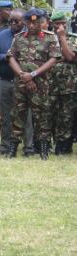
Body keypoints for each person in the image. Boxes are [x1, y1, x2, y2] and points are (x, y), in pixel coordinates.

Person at [7, 8, 60, 159]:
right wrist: (23, 75)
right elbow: (11, 57)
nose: (32, 26)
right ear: (25, 22)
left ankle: (43, 149)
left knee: (42, 116)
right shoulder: (18, 38)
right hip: (21, 84)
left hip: (41, 85)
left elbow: (53, 59)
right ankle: (13, 149)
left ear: (42, 22)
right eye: (29, 22)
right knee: (17, 115)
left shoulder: (50, 38)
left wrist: (33, 75)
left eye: (36, 23)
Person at [0, 8, 24, 155]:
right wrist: (7, 57)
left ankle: (28, 147)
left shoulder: (27, 36)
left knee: (25, 116)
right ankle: (5, 146)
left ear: (24, 21)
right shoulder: (1, 36)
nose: (13, 24)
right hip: (5, 81)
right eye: (11, 21)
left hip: (23, 81)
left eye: (17, 21)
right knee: (5, 116)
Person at [51, 12, 76, 155]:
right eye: (56, 24)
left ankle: (64, 146)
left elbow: (70, 57)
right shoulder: (47, 38)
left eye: (63, 23)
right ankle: (44, 144)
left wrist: (62, 38)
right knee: (49, 115)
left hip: (68, 85)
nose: (60, 26)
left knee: (66, 117)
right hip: (48, 84)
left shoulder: (72, 39)